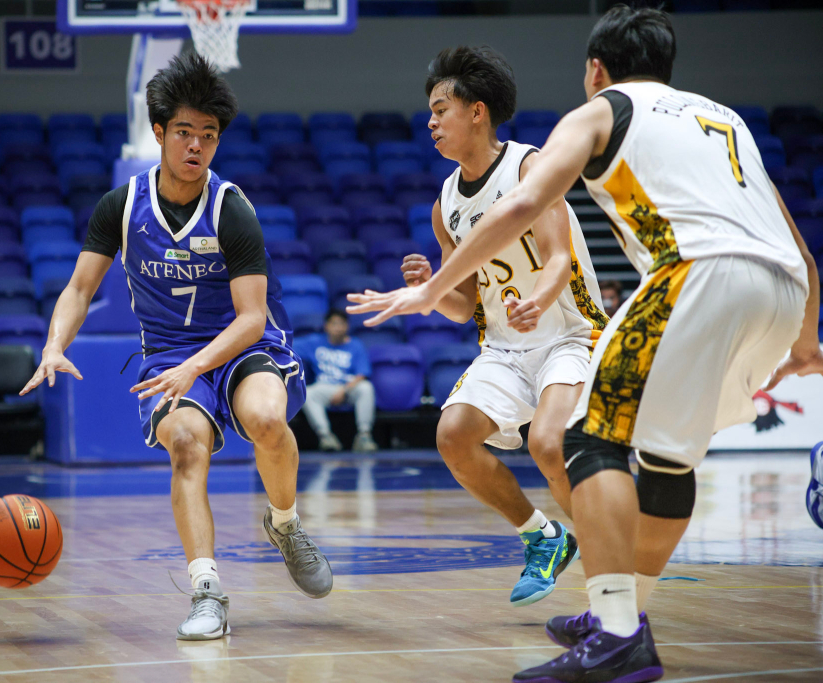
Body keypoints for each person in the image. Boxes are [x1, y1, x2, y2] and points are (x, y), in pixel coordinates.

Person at [349, 6, 822, 682]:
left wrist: (428, 293)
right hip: (779, 294)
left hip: (693, 276)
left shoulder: (599, 112)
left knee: (579, 442)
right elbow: (798, 244)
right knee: (663, 463)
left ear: (596, 69)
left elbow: (521, 207)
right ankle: (620, 615)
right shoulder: (729, 120)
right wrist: (804, 342)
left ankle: (616, 626)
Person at [20, 53, 333, 641]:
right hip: (167, 352)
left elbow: (250, 318)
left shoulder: (232, 209)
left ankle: (286, 525)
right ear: (160, 133)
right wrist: (54, 346)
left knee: (266, 417)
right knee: (187, 443)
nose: (196, 146)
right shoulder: (120, 207)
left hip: (243, 343)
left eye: (208, 136)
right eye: (184, 133)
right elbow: (80, 287)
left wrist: (196, 366)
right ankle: (207, 591)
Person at [400, 45, 609, 607]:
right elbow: (464, 306)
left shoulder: (529, 167)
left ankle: (609, 562)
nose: (432, 120)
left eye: (442, 108)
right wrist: (434, 286)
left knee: (548, 442)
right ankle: (544, 538)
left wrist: (539, 300)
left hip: (568, 331)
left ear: (478, 111)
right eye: (430, 110)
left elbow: (558, 257)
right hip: (505, 346)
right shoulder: (446, 203)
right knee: (452, 437)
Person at [298, 309, 377, 452]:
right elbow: (288, 344)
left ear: (347, 327)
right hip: (325, 387)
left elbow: (362, 374)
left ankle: (364, 436)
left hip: (349, 387)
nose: (338, 328)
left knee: (366, 387)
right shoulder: (314, 342)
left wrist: (344, 390)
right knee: (308, 393)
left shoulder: (356, 345)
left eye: (342, 324)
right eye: (334, 324)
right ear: (326, 326)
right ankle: (325, 436)